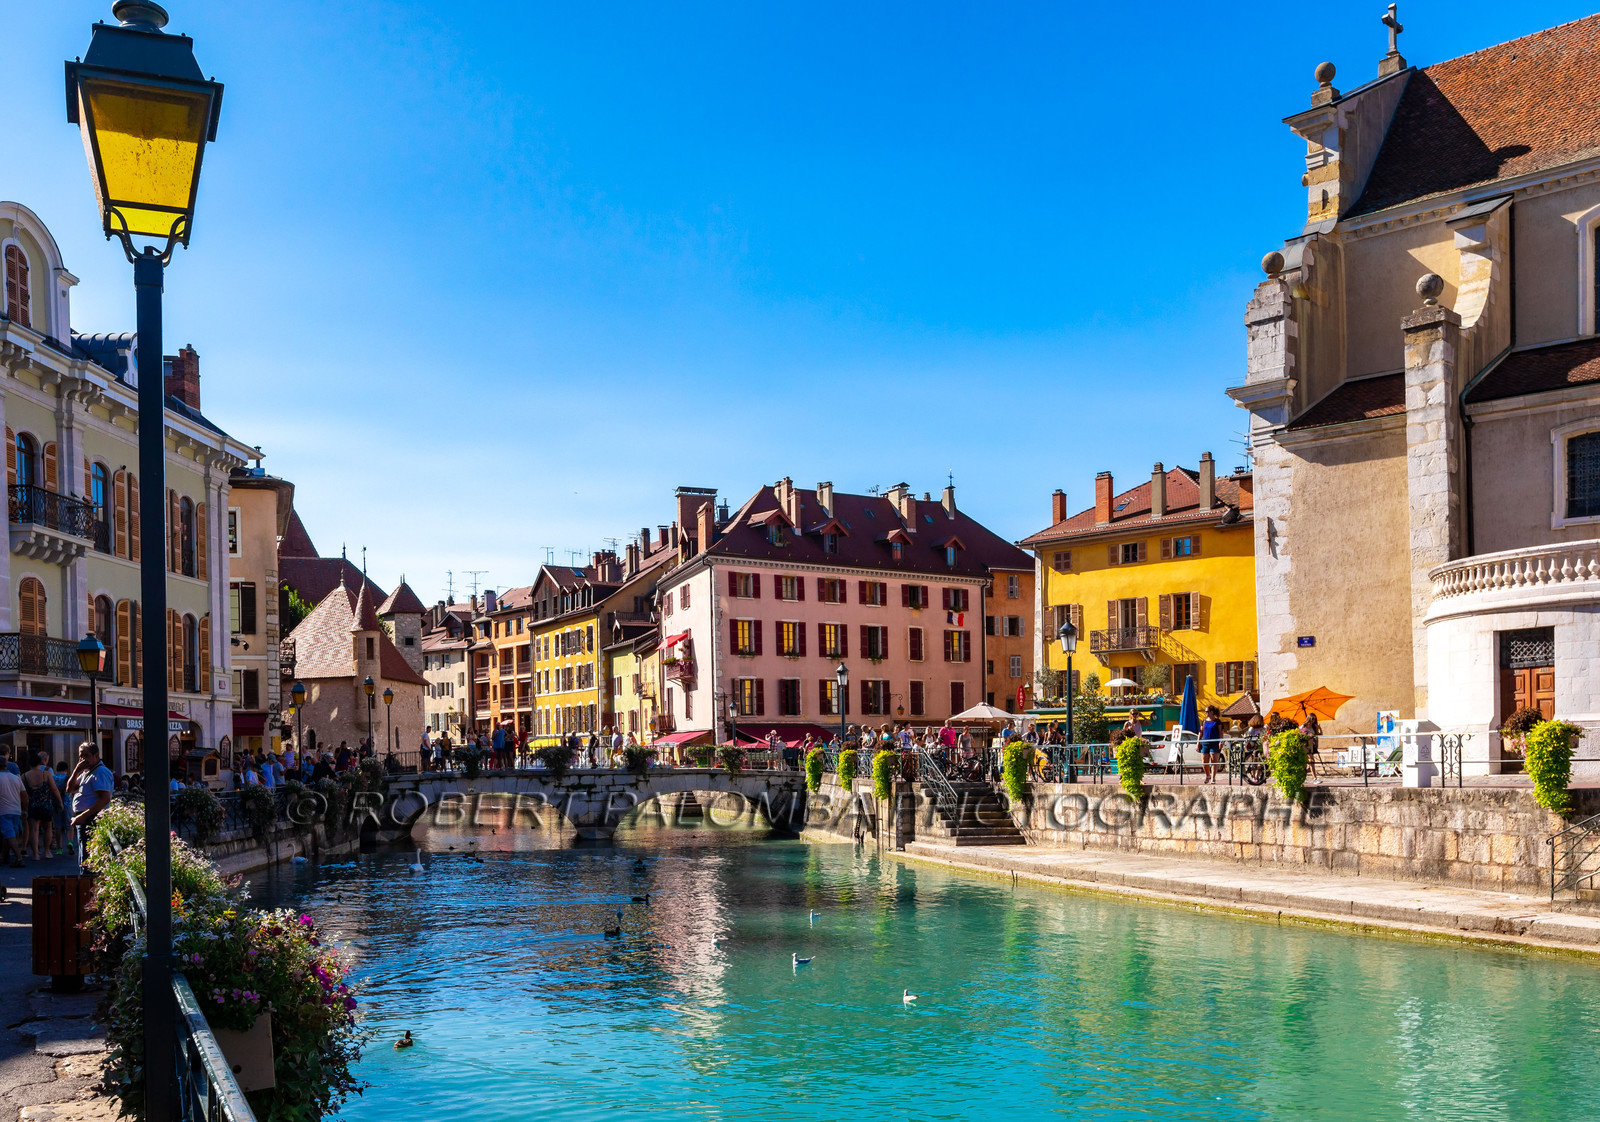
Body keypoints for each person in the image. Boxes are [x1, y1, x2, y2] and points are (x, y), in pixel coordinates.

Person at [66, 741, 113, 866]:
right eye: (80, 756)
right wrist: (76, 770)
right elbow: (69, 789)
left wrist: (83, 816)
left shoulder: (100, 772)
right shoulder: (86, 772)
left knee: (89, 859)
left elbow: (104, 799)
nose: (82, 759)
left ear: (96, 755)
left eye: (86, 756)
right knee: (84, 855)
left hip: (91, 818)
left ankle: (89, 882)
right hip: (84, 818)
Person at [22, 752, 60, 862]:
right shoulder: (46, 774)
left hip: (32, 806)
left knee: (34, 830)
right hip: (46, 805)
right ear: (40, 762)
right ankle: (47, 852)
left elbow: (23, 793)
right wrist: (60, 802)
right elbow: (54, 789)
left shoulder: (24, 776)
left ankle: (35, 854)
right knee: (48, 828)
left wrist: (23, 808)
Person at [0, 749, 27, 868]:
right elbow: (25, 797)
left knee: (9, 835)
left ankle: (19, 858)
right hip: (16, 810)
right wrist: (24, 810)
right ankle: (3, 856)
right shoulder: (16, 778)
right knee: (10, 834)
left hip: (3, 810)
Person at [1199, 705, 1224, 784]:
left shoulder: (1217, 722)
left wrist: (1220, 741)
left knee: (1214, 760)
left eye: (1207, 711)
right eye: (1205, 711)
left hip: (1214, 742)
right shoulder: (1204, 721)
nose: (1205, 713)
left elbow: (1221, 732)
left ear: (1212, 712)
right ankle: (1207, 775)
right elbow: (1200, 732)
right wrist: (1198, 742)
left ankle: (1213, 778)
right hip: (1205, 742)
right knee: (1204, 761)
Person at [1301, 713, 1323, 779]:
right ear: (1309, 719)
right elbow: (1299, 734)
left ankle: (1305, 772)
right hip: (1305, 746)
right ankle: (1314, 778)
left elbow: (1319, 734)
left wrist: (1319, 728)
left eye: (1314, 719)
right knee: (1311, 761)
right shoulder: (1303, 727)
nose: (1313, 721)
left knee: (1309, 762)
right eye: (1312, 719)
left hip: (1311, 746)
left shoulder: (1313, 727)